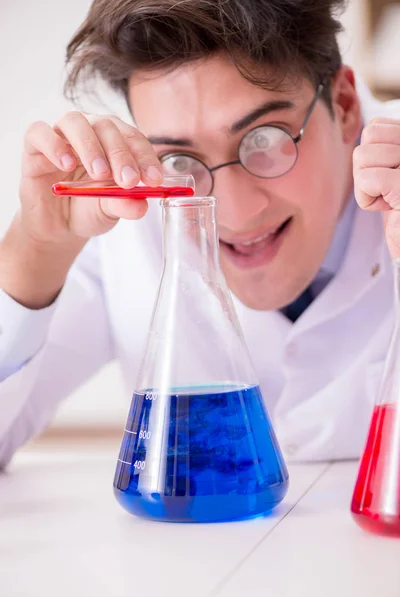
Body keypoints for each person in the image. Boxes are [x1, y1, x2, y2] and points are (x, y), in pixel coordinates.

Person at [0, 0, 399, 467]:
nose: (232, 213)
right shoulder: (124, 211)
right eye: (179, 158)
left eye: (265, 139)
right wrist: (36, 248)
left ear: (345, 105)